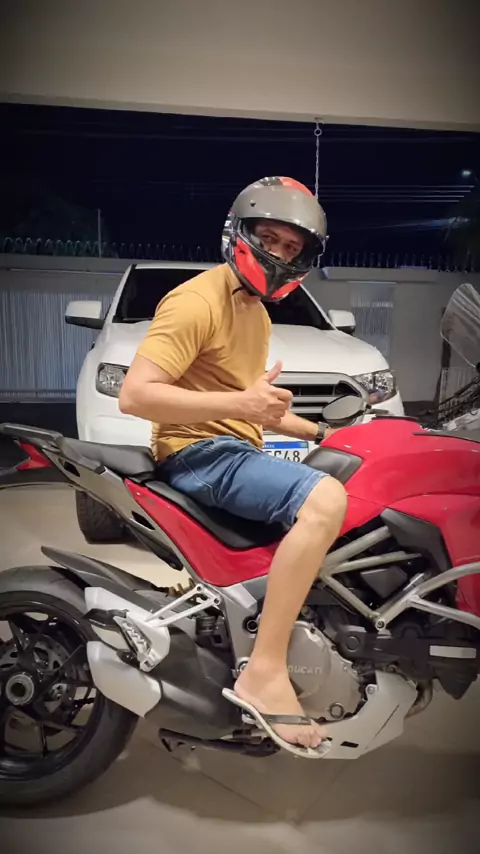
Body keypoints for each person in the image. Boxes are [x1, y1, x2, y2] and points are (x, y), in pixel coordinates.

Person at [119, 177, 348, 758]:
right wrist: (242, 407)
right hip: (198, 453)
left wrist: (327, 432)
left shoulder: (257, 314)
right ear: (238, 234)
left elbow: (253, 406)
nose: (279, 255)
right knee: (325, 500)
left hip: (234, 448)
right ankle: (264, 671)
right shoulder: (197, 301)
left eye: (292, 248)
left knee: (352, 480)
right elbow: (135, 395)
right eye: (268, 239)